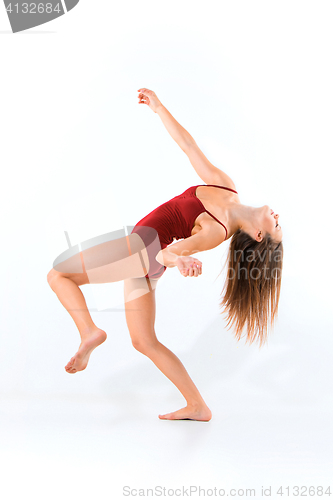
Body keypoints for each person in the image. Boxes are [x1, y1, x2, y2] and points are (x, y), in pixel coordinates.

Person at [47, 88, 283, 422]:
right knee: (144, 341)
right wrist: (159, 108)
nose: (277, 216)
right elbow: (189, 146)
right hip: (146, 259)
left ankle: (89, 332)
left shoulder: (217, 229)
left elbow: (170, 252)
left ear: (259, 235)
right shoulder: (226, 186)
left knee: (58, 275)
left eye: (277, 226)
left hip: (144, 248)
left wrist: (180, 259)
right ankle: (198, 406)